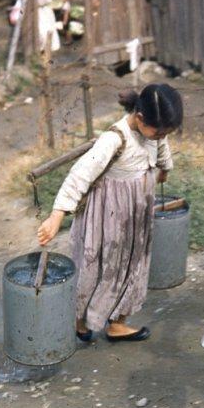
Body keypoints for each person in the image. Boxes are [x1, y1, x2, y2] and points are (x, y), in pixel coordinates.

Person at [37, 84, 183, 342]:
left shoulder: (156, 133)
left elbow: (162, 149)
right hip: (107, 215)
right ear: (139, 117)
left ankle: (117, 323)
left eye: (165, 133)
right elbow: (80, 175)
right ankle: (80, 321)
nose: (160, 137)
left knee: (132, 265)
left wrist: (165, 169)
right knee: (98, 266)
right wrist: (56, 215)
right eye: (158, 132)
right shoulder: (115, 139)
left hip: (137, 213)